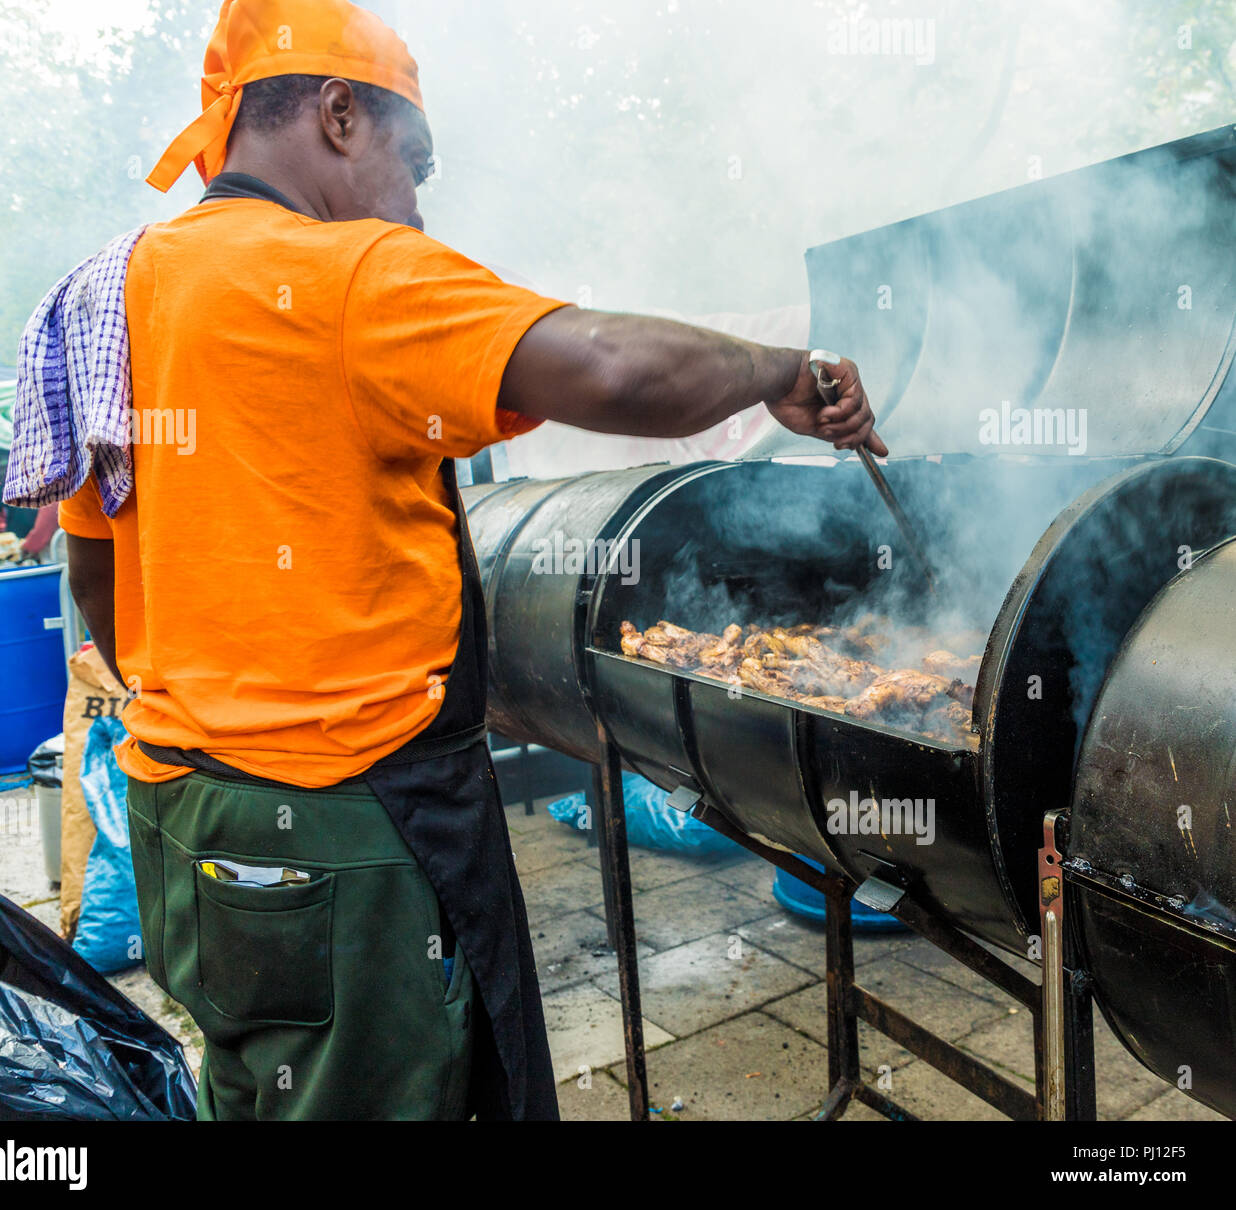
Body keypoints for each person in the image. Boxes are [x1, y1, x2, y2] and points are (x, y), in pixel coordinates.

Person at [47, 0, 881, 1122]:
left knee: (261, 1091)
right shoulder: (347, 273)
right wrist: (781, 368)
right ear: (339, 115)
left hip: (182, 817)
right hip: (351, 837)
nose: (417, 203)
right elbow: (612, 368)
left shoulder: (107, 296)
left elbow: (96, 581)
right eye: (416, 162)